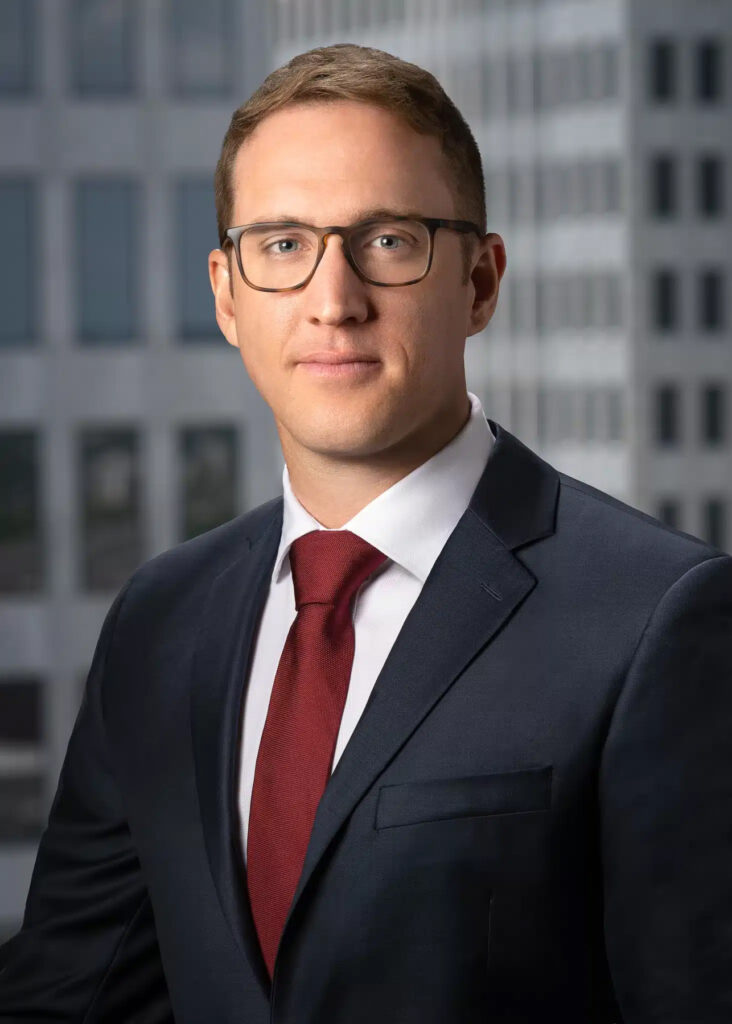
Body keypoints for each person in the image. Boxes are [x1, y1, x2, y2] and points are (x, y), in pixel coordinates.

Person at [1, 42, 731, 1024]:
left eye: (387, 240)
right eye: (284, 244)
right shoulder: (161, 618)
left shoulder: (657, 619)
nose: (333, 299)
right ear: (227, 293)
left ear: (480, 281)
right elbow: (67, 997)